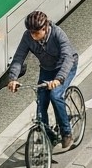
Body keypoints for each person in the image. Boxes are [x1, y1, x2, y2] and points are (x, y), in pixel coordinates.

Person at [5, 11, 80, 150]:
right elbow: (18, 58)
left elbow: (68, 57)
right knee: (41, 100)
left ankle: (66, 133)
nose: (33, 36)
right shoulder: (28, 36)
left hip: (65, 67)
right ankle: (48, 137)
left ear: (45, 28)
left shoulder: (58, 33)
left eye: (36, 32)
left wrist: (59, 79)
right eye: (31, 32)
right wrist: (13, 78)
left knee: (55, 95)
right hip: (47, 69)